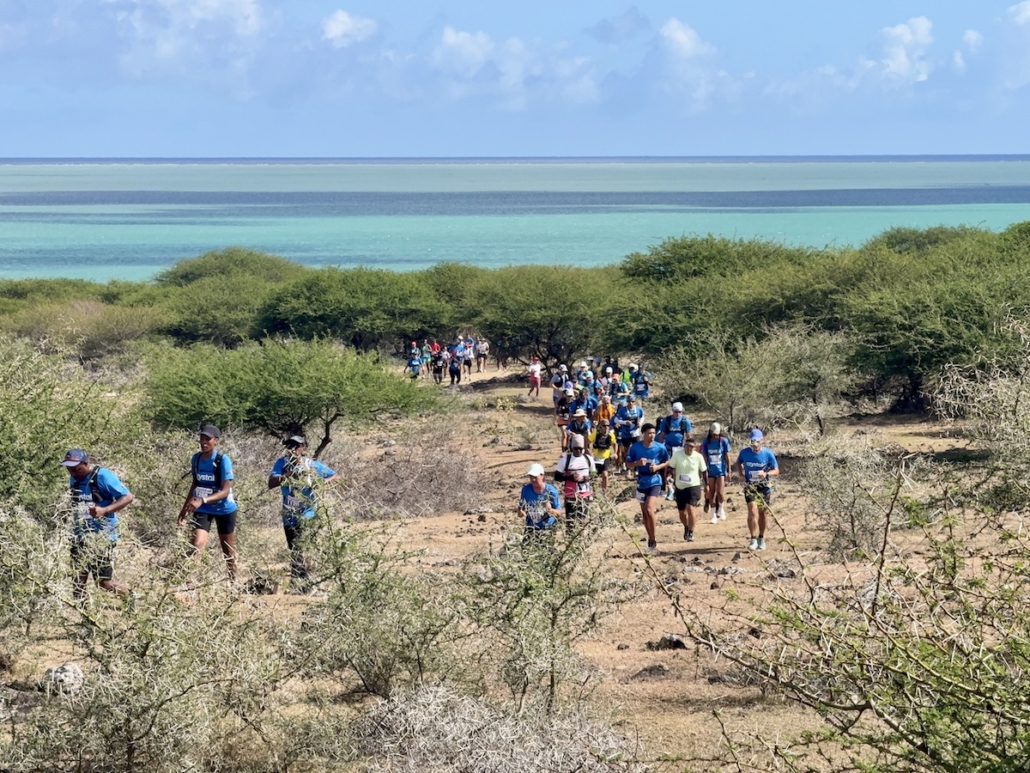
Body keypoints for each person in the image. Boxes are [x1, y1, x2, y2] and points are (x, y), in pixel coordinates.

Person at [268, 436, 339, 591]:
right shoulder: (282, 463)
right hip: (288, 515)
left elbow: (334, 476)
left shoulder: (311, 464)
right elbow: (271, 483)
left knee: (302, 546)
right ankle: (298, 583)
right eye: (290, 446)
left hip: (307, 513)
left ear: (304, 448)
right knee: (293, 548)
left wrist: (320, 483)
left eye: (296, 446)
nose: (293, 449)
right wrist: (286, 474)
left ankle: (307, 583)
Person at [62, 448, 134, 600]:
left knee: (103, 582)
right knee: (77, 581)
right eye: (70, 470)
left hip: (103, 536)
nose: (74, 473)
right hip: (80, 535)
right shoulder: (74, 479)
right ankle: (84, 619)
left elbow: (127, 497)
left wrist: (105, 510)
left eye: (77, 469)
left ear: (86, 463)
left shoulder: (102, 476)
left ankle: (130, 597)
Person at [177, 424, 239, 580]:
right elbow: (195, 483)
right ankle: (191, 585)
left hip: (224, 509)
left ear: (216, 441)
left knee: (228, 550)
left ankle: (233, 583)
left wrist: (202, 500)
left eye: (208, 439)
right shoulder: (196, 458)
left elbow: (225, 491)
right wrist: (185, 509)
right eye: (201, 438)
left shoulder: (222, 460)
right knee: (196, 544)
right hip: (203, 508)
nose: (204, 442)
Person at [626, 423, 670, 553]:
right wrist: (637, 463)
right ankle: (650, 538)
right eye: (649, 433)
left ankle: (653, 538)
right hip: (641, 481)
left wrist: (657, 467)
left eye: (653, 433)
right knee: (644, 513)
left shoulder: (660, 447)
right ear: (643, 433)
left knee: (650, 509)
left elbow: (667, 461)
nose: (652, 435)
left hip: (655, 480)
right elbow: (628, 464)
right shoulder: (635, 447)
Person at [734, 429, 779, 551]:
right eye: (752, 441)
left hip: (764, 486)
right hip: (750, 486)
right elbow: (738, 462)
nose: (754, 444)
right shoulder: (744, 452)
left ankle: (761, 537)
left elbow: (776, 470)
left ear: (761, 441)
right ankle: (753, 539)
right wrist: (741, 474)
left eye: (757, 441)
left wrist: (766, 473)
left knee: (762, 514)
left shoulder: (768, 454)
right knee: (752, 511)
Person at [667, 436, 707, 542]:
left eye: (691, 447)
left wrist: (706, 485)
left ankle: (691, 532)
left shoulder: (698, 457)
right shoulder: (677, 455)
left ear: (695, 448)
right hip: (680, 487)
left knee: (691, 509)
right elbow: (671, 468)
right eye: (687, 446)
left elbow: (704, 471)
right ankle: (686, 527)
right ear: (684, 446)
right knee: (682, 512)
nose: (689, 448)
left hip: (693, 486)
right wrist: (668, 476)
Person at [554, 434, 594, 533]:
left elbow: (594, 473)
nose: (578, 451)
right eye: (576, 449)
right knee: (570, 520)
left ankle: (582, 541)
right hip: (570, 495)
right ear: (572, 448)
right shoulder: (565, 460)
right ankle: (570, 540)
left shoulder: (588, 459)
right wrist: (569, 477)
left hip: (584, 494)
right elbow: (557, 476)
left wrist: (588, 478)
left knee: (582, 520)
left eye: (580, 449)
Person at [657, 402, 693, 500]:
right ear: (672, 411)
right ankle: (669, 489)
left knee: (679, 469)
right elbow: (662, 434)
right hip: (668, 447)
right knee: (668, 468)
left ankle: (679, 489)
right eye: (676, 412)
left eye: (680, 412)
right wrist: (659, 447)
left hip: (680, 447)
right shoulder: (667, 420)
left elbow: (689, 435)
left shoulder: (685, 421)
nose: (678, 414)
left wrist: (689, 448)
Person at [518, 463, 562, 537]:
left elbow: (559, 513)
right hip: (531, 527)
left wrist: (550, 510)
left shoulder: (551, 491)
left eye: (535, 477)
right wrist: (521, 512)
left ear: (542, 476)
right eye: (531, 477)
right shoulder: (525, 490)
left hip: (547, 528)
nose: (533, 479)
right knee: (526, 548)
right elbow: (520, 511)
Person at [702, 422, 732, 523]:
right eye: (714, 434)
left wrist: (729, 471)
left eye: (717, 434)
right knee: (712, 492)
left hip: (721, 471)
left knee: (720, 492)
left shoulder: (723, 441)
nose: (715, 436)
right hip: (710, 471)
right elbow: (705, 458)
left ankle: (721, 509)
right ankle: (713, 513)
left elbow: (727, 457)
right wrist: (703, 471)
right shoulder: (706, 442)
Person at [613, 395, 644, 473]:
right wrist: (624, 422)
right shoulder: (622, 410)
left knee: (637, 450)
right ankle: (626, 466)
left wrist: (640, 423)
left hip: (635, 433)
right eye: (629, 401)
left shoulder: (638, 409)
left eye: (632, 401)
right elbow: (616, 420)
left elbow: (642, 417)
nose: (630, 403)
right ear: (627, 402)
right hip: (625, 434)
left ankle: (636, 469)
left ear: (634, 402)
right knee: (626, 451)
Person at [588, 418, 617, 493]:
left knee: (605, 475)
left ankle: (604, 492)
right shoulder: (596, 434)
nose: (606, 427)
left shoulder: (611, 435)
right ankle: (593, 492)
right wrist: (589, 452)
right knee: (593, 476)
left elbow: (615, 444)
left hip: (605, 458)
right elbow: (588, 442)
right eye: (604, 425)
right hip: (595, 458)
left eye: (608, 425)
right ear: (601, 426)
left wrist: (615, 453)